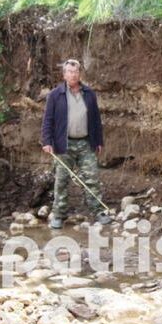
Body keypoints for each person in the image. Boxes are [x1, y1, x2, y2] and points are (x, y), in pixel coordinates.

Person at [41, 59, 112, 229]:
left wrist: (99, 141)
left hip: (86, 143)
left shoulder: (89, 93)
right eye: (69, 72)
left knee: (92, 177)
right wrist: (46, 141)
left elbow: (96, 119)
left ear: (79, 73)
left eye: (75, 71)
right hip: (63, 145)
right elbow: (47, 120)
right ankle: (58, 215)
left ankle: (98, 211)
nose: (73, 74)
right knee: (61, 180)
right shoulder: (55, 95)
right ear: (64, 75)